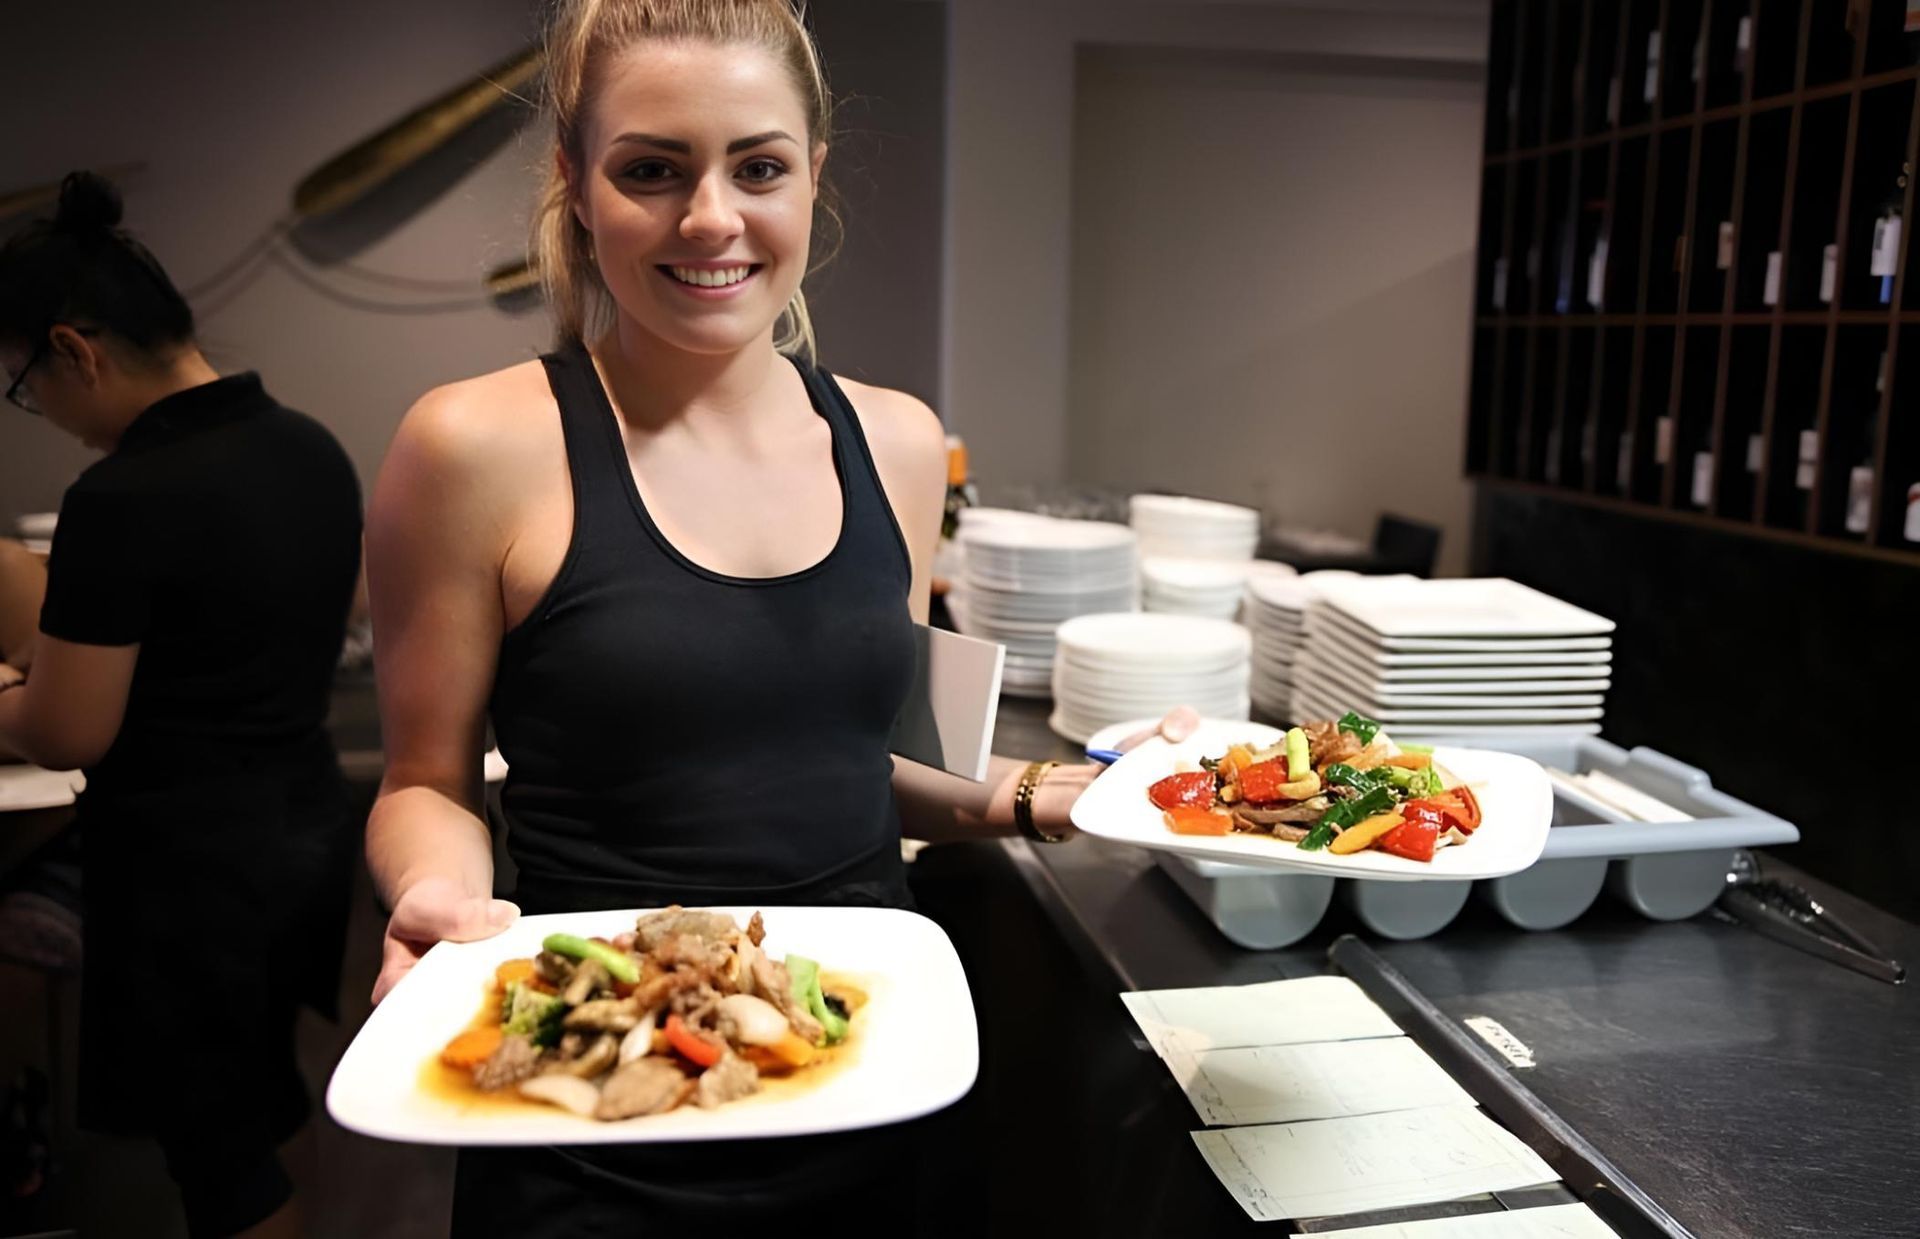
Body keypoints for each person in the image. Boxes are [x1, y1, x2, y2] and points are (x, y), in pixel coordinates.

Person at [361, 1, 1192, 1233]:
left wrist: (1060, 793)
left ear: (813, 181)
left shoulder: (901, 444)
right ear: (575, 185)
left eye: (758, 167)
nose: (711, 218)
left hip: (871, 1078)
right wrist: (438, 895)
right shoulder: (473, 446)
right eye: (651, 169)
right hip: (598, 1115)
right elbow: (422, 781)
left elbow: (885, 767)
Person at [0, 172, 364, 1239]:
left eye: (28, 387)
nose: (48, 417)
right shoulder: (308, 448)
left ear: (75, 350)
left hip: (186, 874)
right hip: (300, 837)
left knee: (218, 1160)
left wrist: (9, 700)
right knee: (265, 1106)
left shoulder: (122, 497)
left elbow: (71, 731)